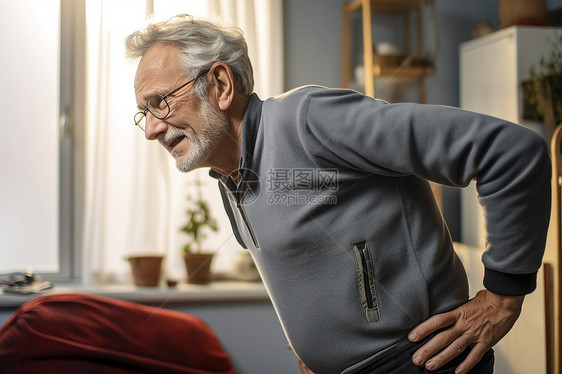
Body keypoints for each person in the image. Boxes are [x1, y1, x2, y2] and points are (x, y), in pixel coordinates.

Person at [125, 14, 551, 374]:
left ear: (219, 84)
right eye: (144, 112)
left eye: (160, 102)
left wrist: (501, 297)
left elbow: (511, 153)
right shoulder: (229, 173)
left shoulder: (309, 119)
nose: (151, 129)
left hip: (420, 361)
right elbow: (323, 234)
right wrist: (317, 348)